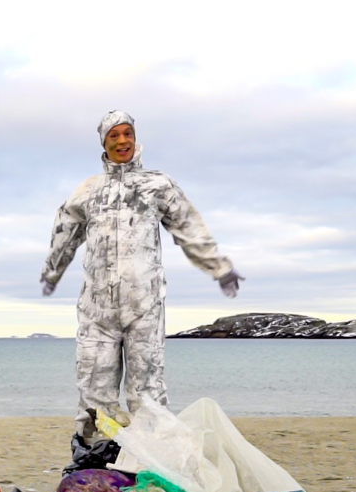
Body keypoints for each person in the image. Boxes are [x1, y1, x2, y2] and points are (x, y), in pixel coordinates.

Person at [41, 110, 242, 451]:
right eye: (114, 136)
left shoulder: (156, 185)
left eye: (127, 134)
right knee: (93, 392)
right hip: (97, 312)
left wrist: (218, 267)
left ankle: (152, 461)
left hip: (144, 308)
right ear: (103, 143)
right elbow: (64, 235)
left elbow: (188, 227)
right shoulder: (88, 192)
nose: (122, 141)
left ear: (135, 138)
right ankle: (92, 462)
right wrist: (52, 272)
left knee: (148, 394)